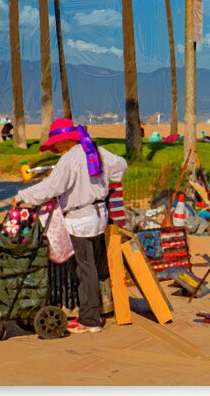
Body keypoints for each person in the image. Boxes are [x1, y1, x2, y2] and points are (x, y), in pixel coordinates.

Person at [12, 118, 128, 334]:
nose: (54, 148)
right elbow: (121, 166)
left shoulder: (70, 159)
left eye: (55, 143)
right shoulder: (98, 151)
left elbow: (52, 187)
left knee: (85, 268)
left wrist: (22, 196)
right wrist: (100, 181)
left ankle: (90, 320)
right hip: (99, 216)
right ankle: (94, 312)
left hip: (80, 219)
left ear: (63, 141)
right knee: (91, 266)